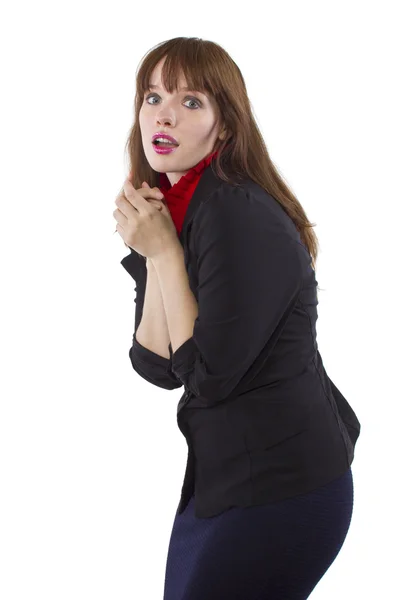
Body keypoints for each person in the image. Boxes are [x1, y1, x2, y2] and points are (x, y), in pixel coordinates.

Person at [116, 36, 361, 600]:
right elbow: (156, 364)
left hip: (284, 487)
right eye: (152, 97)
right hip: (227, 479)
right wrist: (159, 250)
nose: (165, 114)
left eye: (191, 101)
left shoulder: (237, 211)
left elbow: (209, 376)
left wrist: (164, 254)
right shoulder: (184, 205)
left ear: (225, 127)